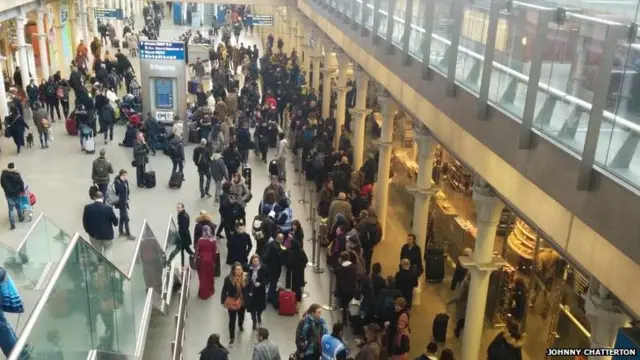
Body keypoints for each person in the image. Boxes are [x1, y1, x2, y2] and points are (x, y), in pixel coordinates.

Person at [221, 262, 248, 346]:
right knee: (232, 320)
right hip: (232, 301)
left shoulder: (245, 277)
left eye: (240, 269)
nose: (239, 271)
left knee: (241, 316)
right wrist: (223, 300)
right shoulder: (228, 279)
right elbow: (224, 289)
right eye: (237, 269)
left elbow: (248, 288)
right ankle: (232, 338)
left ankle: (240, 324)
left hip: (242, 301)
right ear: (233, 270)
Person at [334, 251, 357, 326]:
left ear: (341, 259)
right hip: (352, 289)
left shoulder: (339, 269)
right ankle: (350, 318)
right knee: (348, 304)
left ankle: (344, 319)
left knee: (343, 305)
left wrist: (338, 263)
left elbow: (336, 272)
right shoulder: (354, 267)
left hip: (342, 290)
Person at [0, 163, 26, 230]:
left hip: (8, 194)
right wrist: (22, 190)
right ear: (13, 167)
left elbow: (2, 183)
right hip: (16, 193)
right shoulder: (16, 174)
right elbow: (21, 183)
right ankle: (20, 217)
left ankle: (12, 224)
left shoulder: (3, 174)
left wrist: (5, 189)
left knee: (10, 209)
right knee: (18, 205)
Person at [195, 225, 218, 300]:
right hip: (210, 261)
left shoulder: (200, 241)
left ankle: (203, 293)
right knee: (209, 277)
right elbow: (215, 253)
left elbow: (196, 252)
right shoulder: (213, 241)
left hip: (201, 261)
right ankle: (209, 291)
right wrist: (214, 262)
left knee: (202, 278)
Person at [357, 208, 382, 275]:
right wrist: (374, 244)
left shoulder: (363, 222)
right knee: (368, 260)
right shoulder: (378, 224)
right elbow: (380, 236)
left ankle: (361, 272)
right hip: (371, 246)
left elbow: (358, 231)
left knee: (361, 259)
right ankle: (367, 273)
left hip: (362, 244)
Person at [285, 240, 308, 310]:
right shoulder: (301, 251)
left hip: (291, 273)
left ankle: (291, 302)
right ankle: (297, 304)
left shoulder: (289, 252)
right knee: (298, 288)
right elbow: (306, 260)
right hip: (299, 273)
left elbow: (288, 263)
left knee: (291, 288)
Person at [246, 254, 267, 330]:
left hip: (260, 292)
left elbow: (266, 280)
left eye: (257, 261)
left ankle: (259, 316)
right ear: (251, 261)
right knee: (252, 309)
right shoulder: (249, 269)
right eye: (254, 261)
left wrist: (260, 284)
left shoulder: (263, 268)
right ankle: (254, 321)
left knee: (260, 308)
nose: (255, 262)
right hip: (251, 291)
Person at [447, 273, 470, 338]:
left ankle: (457, 331)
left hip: (462, 304)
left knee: (461, 318)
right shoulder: (472, 283)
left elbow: (458, 297)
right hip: (468, 303)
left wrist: (450, 301)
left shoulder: (464, 283)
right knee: (464, 318)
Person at [113, 169, 134, 240]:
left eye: (126, 175)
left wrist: (127, 198)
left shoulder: (125, 181)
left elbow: (127, 190)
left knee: (122, 217)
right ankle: (128, 234)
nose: (125, 177)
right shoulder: (117, 182)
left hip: (124, 202)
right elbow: (120, 190)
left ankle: (121, 231)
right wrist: (122, 182)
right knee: (126, 219)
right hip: (120, 203)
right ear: (120, 175)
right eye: (124, 175)